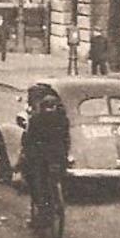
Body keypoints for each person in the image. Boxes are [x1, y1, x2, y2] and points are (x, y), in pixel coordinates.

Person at [21, 85, 71, 227]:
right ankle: (57, 201)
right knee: (58, 178)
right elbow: (66, 139)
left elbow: (29, 139)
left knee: (35, 182)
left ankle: (42, 211)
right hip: (58, 156)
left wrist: (26, 154)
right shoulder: (63, 119)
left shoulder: (36, 119)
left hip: (41, 157)